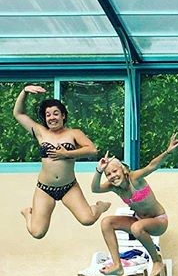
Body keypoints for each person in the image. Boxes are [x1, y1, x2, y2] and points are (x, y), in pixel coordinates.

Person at [12, 84, 110, 238]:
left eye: (56, 113)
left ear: (63, 115)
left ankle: (100, 206)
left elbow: (92, 150)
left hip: (69, 187)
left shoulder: (73, 133)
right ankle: (28, 213)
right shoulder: (40, 132)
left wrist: (67, 153)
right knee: (37, 233)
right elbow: (18, 114)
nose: (52, 117)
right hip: (45, 188)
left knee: (88, 219)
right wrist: (24, 91)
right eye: (48, 115)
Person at [91, 134, 178, 276]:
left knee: (136, 228)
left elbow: (152, 166)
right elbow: (94, 188)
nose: (113, 176)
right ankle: (117, 265)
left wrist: (168, 152)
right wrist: (98, 170)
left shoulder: (134, 179)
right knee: (106, 222)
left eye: (115, 171)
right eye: (108, 174)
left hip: (158, 221)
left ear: (123, 170)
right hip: (139, 221)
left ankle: (156, 260)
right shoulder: (114, 187)